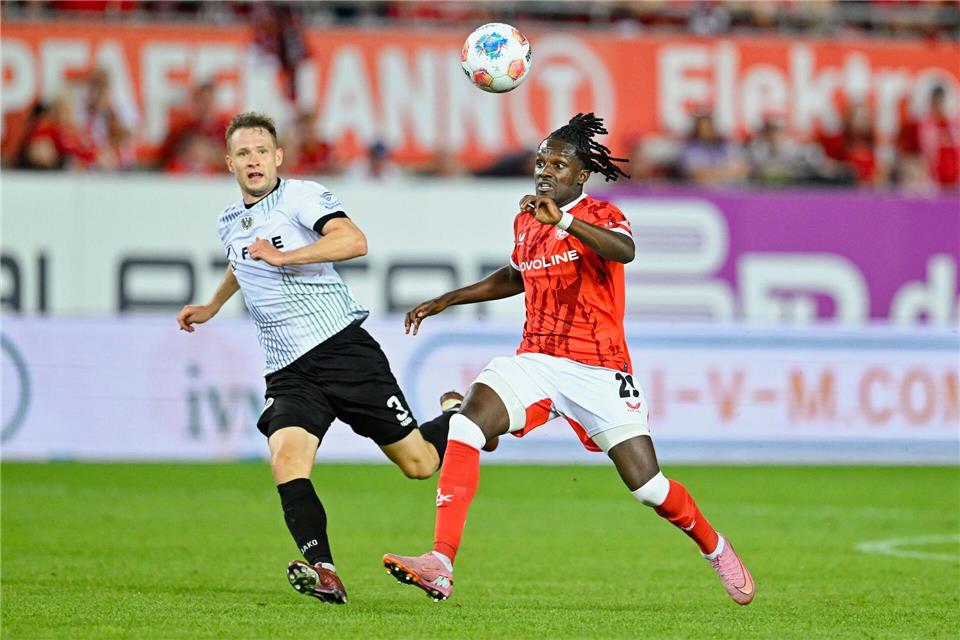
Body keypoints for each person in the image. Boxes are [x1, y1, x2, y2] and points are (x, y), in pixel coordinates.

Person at [382, 113, 755, 606]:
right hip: (536, 357)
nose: (545, 171)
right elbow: (516, 276)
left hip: (599, 368)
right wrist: (450, 298)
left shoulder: (598, 214)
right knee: (468, 424)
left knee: (649, 487)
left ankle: (717, 548)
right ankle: (440, 562)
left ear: (580, 175)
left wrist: (566, 222)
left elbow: (625, 251)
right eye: (541, 161)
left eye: (558, 164)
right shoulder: (526, 219)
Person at [176, 111, 482, 605]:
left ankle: (459, 418)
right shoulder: (228, 220)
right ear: (228, 162)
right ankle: (325, 571)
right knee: (286, 460)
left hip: (342, 351)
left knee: (420, 465)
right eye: (243, 153)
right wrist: (213, 304)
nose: (253, 160)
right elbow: (242, 262)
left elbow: (353, 240)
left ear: (277, 157)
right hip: (288, 371)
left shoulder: (301, 196)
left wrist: (285, 257)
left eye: (261, 151)